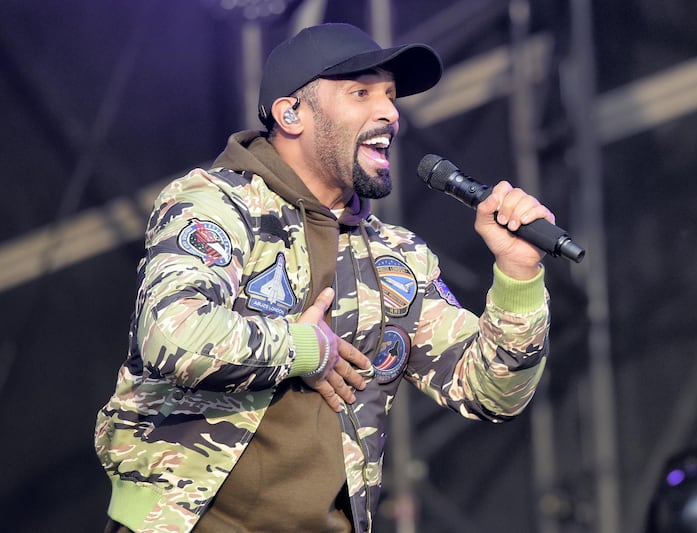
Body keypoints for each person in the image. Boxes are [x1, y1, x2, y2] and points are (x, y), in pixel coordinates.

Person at [95, 22, 554, 533]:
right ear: (292, 113)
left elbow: (489, 393)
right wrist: (306, 349)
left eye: (390, 96)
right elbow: (170, 334)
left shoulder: (396, 256)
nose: (389, 112)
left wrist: (518, 275)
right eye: (361, 93)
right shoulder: (218, 203)